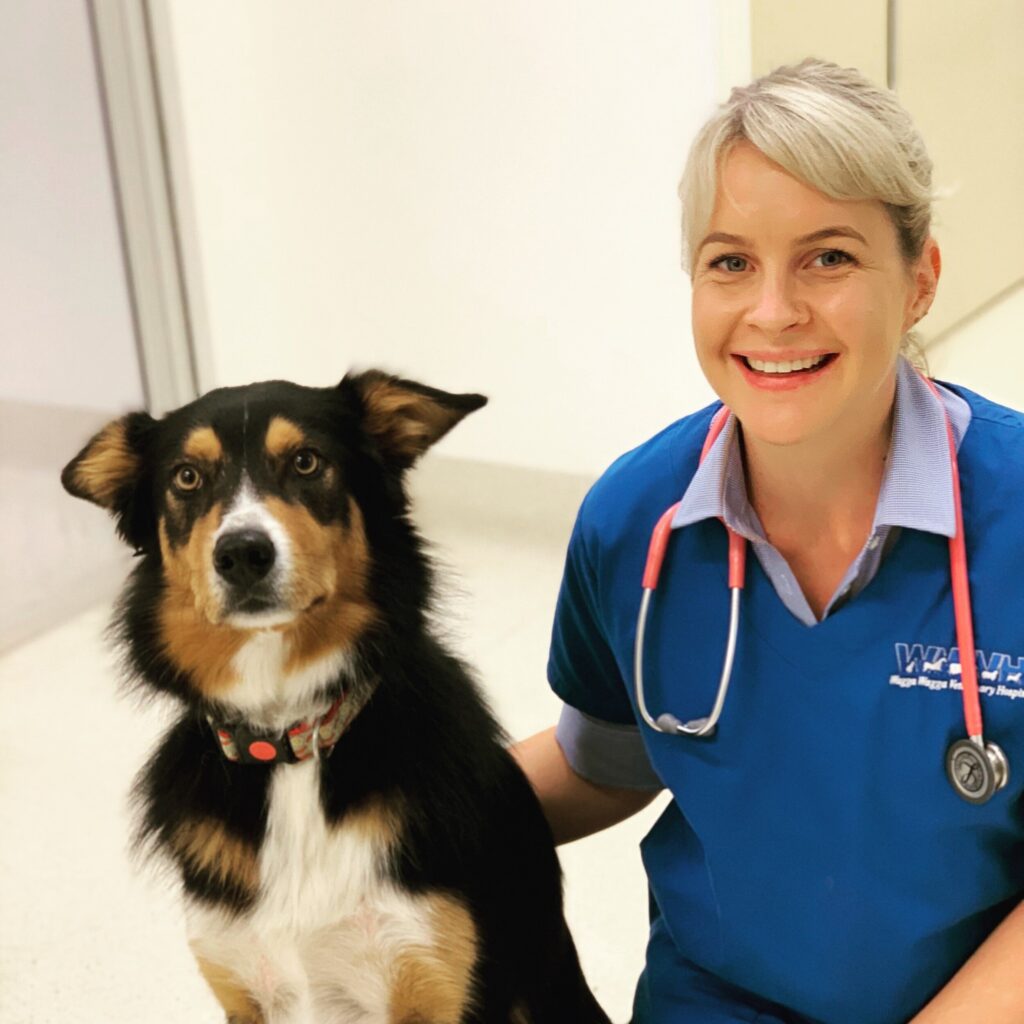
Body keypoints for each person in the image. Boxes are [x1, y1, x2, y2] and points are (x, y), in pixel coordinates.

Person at [512, 58, 1024, 1024]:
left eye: (829, 257)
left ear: (920, 279)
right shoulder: (636, 523)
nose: (773, 312)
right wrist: (365, 813)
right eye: (731, 261)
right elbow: (600, 764)